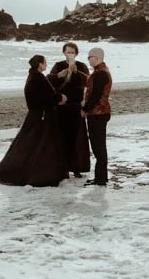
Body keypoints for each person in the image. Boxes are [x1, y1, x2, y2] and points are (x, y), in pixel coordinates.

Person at [0, 55, 70, 187]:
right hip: (41, 116)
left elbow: (44, 93)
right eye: (45, 62)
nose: (46, 65)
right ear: (40, 64)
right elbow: (49, 94)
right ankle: (39, 173)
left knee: (29, 143)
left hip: (34, 115)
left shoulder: (33, 76)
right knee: (39, 144)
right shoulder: (38, 77)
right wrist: (61, 98)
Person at [48, 42, 91, 178]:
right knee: (61, 137)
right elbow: (50, 82)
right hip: (61, 106)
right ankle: (62, 167)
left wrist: (76, 72)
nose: (70, 54)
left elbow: (89, 81)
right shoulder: (58, 65)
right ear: (64, 53)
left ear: (76, 53)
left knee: (76, 137)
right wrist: (61, 75)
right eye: (68, 52)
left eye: (72, 52)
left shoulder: (82, 66)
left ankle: (76, 167)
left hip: (76, 105)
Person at [81, 47, 112, 186]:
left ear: (97, 58)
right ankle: (100, 177)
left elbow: (96, 94)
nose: (88, 59)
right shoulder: (100, 72)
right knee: (98, 147)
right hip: (99, 113)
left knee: (98, 147)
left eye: (90, 57)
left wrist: (85, 109)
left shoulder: (101, 74)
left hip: (98, 113)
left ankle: (101, 179)